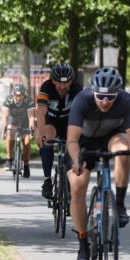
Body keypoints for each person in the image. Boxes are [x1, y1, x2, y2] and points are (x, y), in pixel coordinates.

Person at [66, 67, 130, 260]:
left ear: (118, 93)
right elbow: (72, 139)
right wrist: (76, 160)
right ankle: (83, 243)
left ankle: (119, 204)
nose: (105, 101)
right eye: (100, 96)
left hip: (112, 138)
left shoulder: (127, 101)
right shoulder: (82, 100)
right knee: (77, 184)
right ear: (94, 92)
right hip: (84, 143)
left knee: (123, 149)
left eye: (110, 97)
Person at [36, 63, 82, 199]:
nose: (63, 87)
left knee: (72, 146)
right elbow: (41, 112)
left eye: (67, 83)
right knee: (48, 136)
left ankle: (69, 180)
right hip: (52, 121)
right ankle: (47, 180)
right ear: (53, 81)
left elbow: (83, 113)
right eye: (59, 83)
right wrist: (40, 133)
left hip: (69, 121)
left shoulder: (77, 89)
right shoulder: (46, 87)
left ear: (71, 81)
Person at [1, 84, 36, 177]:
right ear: (13, 95)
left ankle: (26, 166)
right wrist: (4, 130)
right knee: (9, 134)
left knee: (27, 143)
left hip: (25, 120)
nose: (18, 98)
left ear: (24, 95)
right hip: (13, 119)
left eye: (20, 96)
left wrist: (32, 130)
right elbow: (5, 117)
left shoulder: (29, 100)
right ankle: (9, 160)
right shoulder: (8, 100)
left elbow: (31, 117)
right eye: (16, 96)